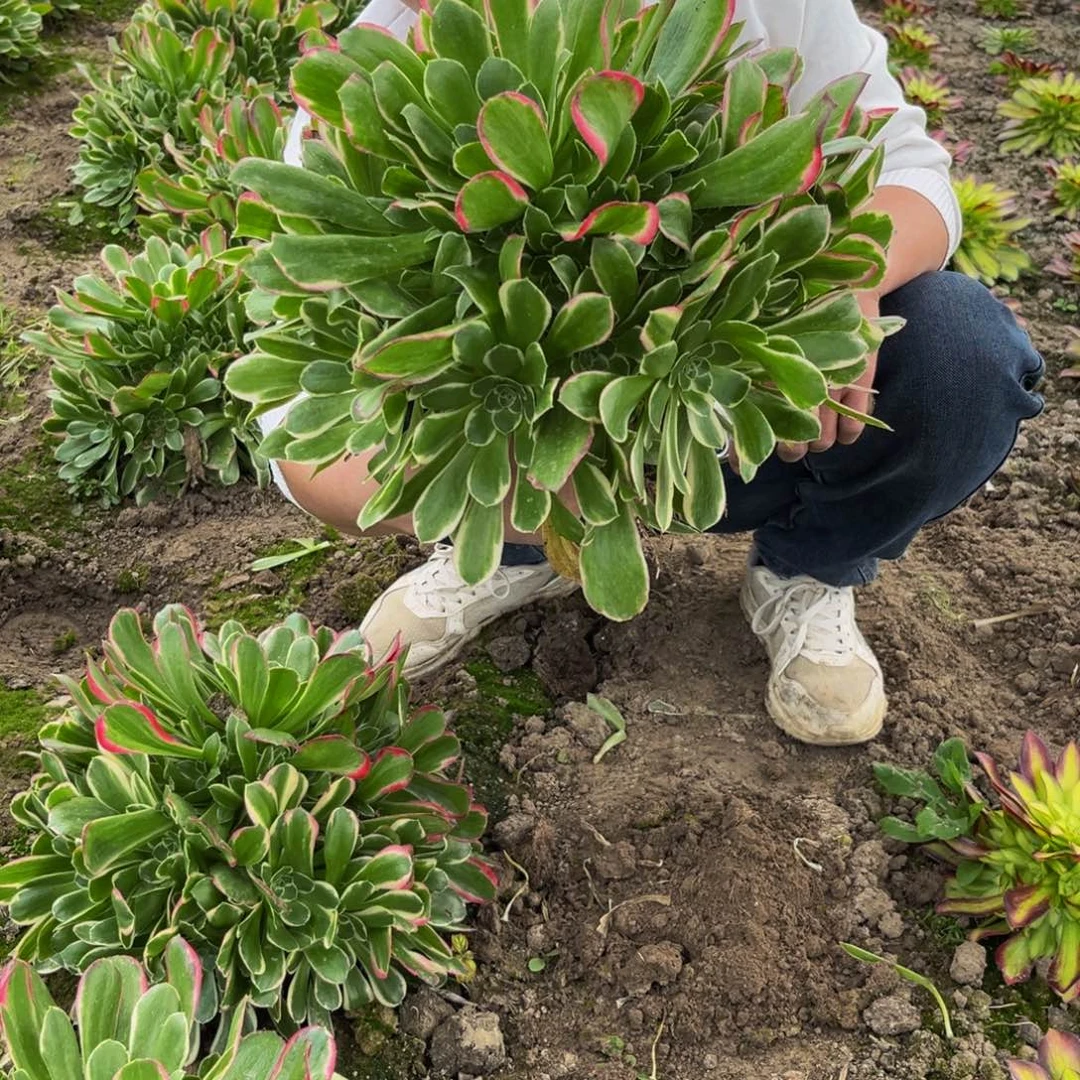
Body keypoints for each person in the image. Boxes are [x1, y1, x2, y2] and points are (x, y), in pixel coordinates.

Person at [259, 0, 1045, 747]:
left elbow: (910, 169)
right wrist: (491, 501)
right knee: (489, 483)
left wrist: (850, 280)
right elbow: (301, 441)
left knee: (961, 357)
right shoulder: (384, 57)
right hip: (534, 471)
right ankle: (517, 558)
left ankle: (809, 569)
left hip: (740, 418)